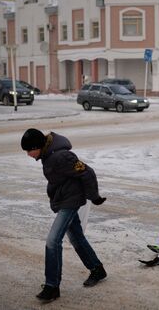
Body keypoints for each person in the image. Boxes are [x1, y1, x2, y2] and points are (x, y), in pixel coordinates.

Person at [21, 128, 107, 303]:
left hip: (71, 201)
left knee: (52, 241)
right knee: (76, 237)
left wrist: (94, 196)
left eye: (29, 150)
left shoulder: (61, 156)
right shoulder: (48, 155)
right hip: (65, 199)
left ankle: (52, 286)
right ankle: (97, 269)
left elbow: (87, 172)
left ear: (37, 146)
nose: (28, 154)